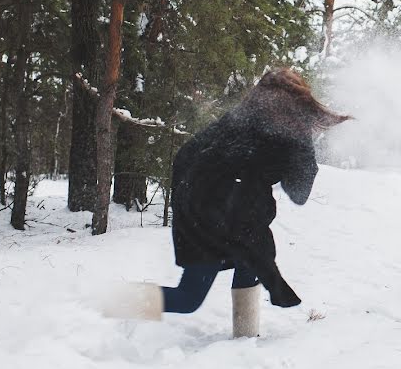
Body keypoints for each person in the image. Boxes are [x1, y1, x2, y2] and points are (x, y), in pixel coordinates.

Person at [106, 68, 350, 337]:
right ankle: (111, 302)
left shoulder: (244, 116)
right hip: (207, 218)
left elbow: (189, 155)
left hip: (215, 211)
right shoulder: (284, 130)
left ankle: (244, 338)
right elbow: (299, 193)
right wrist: (306, 161)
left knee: (250, 255)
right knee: (190, 298)